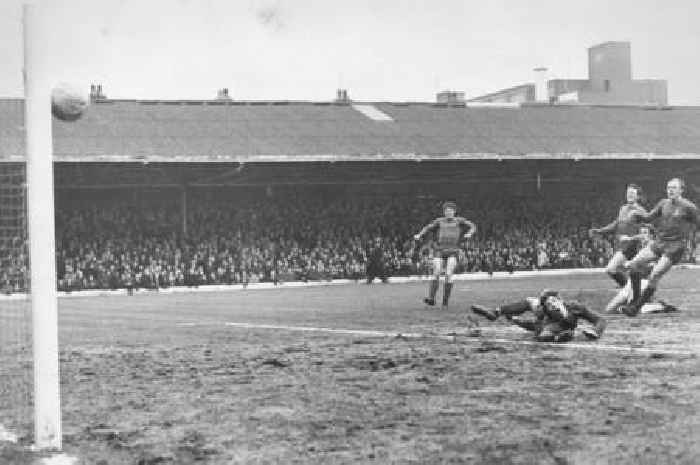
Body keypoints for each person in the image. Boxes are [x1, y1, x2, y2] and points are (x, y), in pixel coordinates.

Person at [622, 178, 698, 316]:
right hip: (659, 242)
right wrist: (637, 215)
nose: (670, 190)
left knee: (654, 275)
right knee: (633, 265)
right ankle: (635, 300)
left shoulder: (689, 207)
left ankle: (635, 307)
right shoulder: (663, 203)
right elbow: (648, 217)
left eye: (674, 188)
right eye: (669, 187)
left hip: (675, 246)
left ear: (681, 190)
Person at [470, 289, 607, 342]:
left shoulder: (573, 308)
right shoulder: (573, 307)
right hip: (559, 325)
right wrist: (517, 321)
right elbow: (600, 320)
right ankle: (496, 312)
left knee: (543, 334)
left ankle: (496, 312)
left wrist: (596, 331)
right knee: (542, 332)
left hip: (558, 326)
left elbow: (600, 320)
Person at [413, 201, 476, 309]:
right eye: (446, 211)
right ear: (444, 212)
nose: (448, 213)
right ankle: (431, 299)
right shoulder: (439, 221)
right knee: (436, 271)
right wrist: (419, 234)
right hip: (440, 250)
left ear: (454, 212)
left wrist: (469, 233)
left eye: (450, 211)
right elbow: (427, 227)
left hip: (453, 250)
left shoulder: (459, 221)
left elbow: (473, 226)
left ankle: (445, 302)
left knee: (448, 274)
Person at [589, 183, 647, 287]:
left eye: (632, 193)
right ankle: (627, 287)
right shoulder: (623, 209)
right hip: (624, 248)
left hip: (636, 248)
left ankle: (634, 291)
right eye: (628, 193)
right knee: (611, 269)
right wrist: (599, 231)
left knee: (632, 273)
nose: (629, 195)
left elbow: (645, 235)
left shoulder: (640, 211)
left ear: (638, 196)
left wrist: (630, 239)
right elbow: (615, 224)